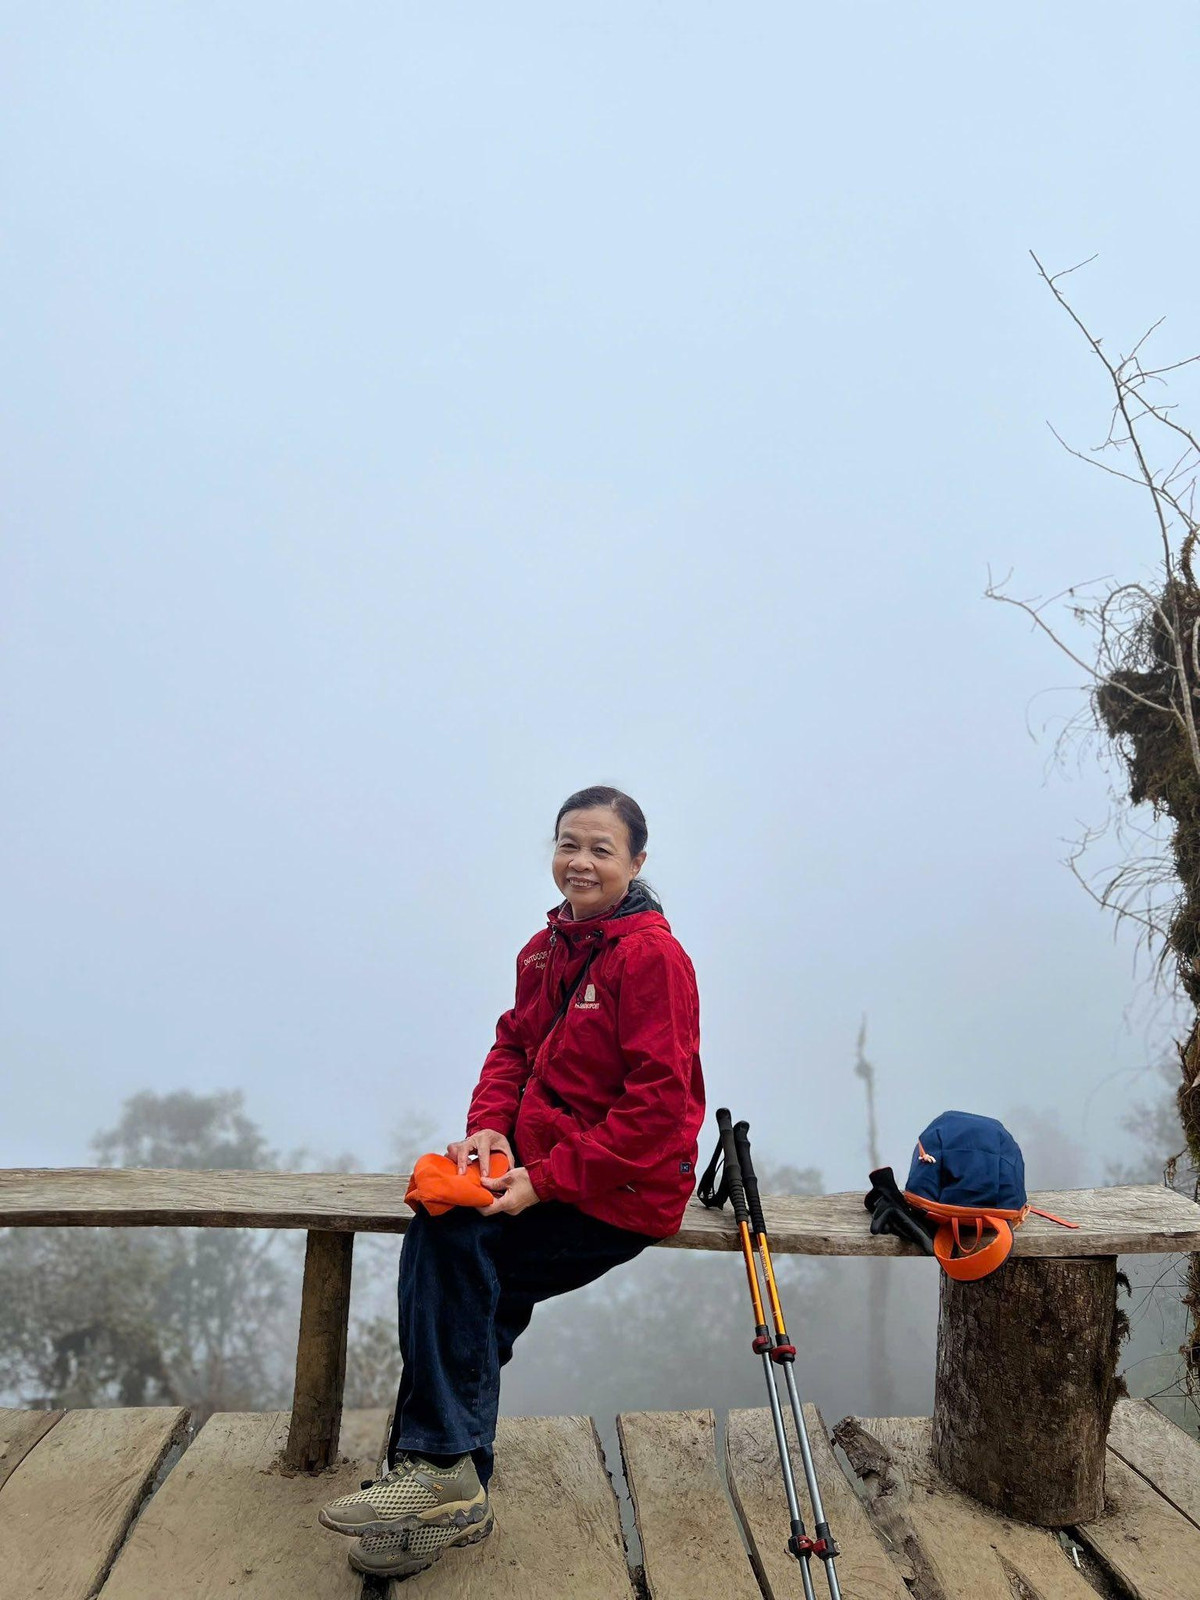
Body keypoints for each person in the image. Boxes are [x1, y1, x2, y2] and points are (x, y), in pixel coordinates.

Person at [319, 785, 705, 1579]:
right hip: (538, 1172)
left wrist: (546, 1180)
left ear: (636, 862)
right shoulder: (544, 950)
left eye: (601, 848)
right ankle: (443, 1488)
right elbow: (512, 1047)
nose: (581, 861)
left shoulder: (652, 958)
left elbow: (661, 1113)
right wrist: (490, 1125)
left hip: (623, 1194)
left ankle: (431, 1472)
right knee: (451, 1252)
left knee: (456, 1260)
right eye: (569, 843)